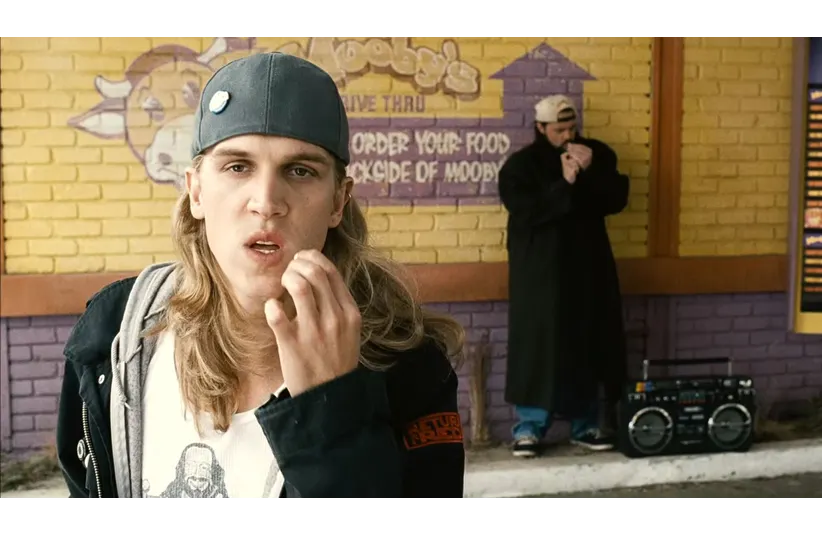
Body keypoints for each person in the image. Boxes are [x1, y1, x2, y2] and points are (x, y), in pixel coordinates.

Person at [55, 51, 467, 503]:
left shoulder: (408, 369)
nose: (266, 201)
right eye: (237, 167)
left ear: (338, 202)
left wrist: (332, 412)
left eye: (300, 170)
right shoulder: (116, 336)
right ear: (195, 190)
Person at [498, 94, 629, 458]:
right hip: (539, 274)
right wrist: (565, 182)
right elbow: (526, 212)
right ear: (540, 128)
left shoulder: (595, 153)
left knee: (586, 342)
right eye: (559, 129)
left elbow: (616, 199)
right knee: (537, 347)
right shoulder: (520, 167)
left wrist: (591, 173)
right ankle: (529, 427)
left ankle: (585, 423)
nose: (568, 135)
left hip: (587, 269)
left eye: (572, 127)